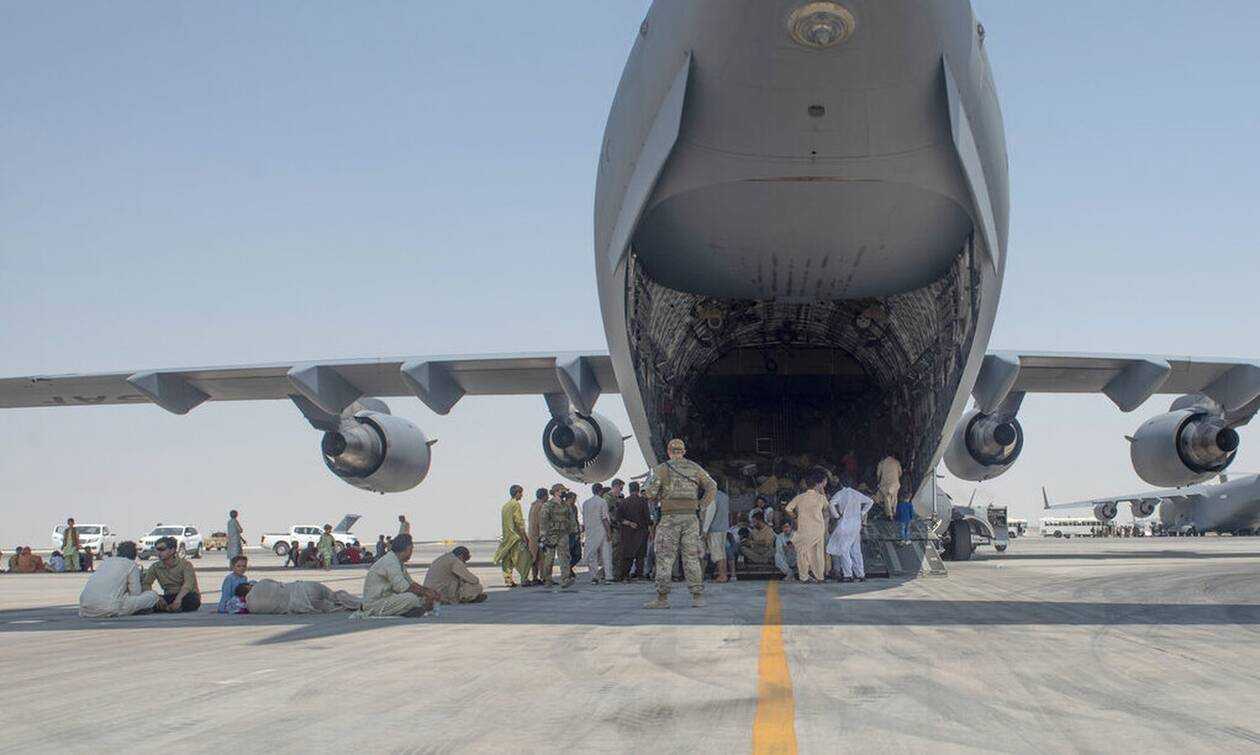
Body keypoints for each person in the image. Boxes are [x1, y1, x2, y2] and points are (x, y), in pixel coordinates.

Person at [642, 438, 717, 609]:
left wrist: (648, 492)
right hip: (691, 518)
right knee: (691, 557)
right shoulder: (695, 468)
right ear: (683, 452)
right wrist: (701, 504)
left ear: (669, 452)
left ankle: (662, 599)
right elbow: (712, 486)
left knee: (665, 558)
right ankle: (697, 597)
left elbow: (650, 493)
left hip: (669, 519)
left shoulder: (662, 469)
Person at [352, 533, 437, 618]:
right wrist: (426, 593)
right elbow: (403, 588)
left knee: (420, 597)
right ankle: (409, 610)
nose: (411, 553)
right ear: (405, 550)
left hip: (387, 599)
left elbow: (411, 583)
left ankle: (410, 610)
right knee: (412, 598)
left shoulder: (398, 562)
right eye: (410, 550)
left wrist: (429, 591)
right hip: (375, 604)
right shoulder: (391, 562)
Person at [78, 541, 160, 617]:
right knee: (153, 595)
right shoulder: (131, 564)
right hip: (109, 608)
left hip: (85, 609)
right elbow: (135, 593)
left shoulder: (106, 562)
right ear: (135, 555)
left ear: (118, 552)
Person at [785, 469, 830, 583]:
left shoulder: (800, 497)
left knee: (802, 552)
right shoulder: (821, 498)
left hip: (804, 529)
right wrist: (822, 491)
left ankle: (804, 576)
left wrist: (796, 517)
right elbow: (827, 507)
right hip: (818, 529)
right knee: (818, 553)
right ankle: (820, 577)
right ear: (819, 483)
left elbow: (788, 509)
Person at [827, 478, 874, 582]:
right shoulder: (857, 493)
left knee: (844, 549)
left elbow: (831, 503)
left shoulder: (840, 493)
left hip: (844, 524)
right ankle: (860, 574)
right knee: (856, 550)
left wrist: (836, 515)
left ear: (841, 484)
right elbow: (870, 501)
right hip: (856, 524)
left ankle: (848, 574)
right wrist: (862, 513)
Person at [142, 536, 202, 612]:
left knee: (192, 600)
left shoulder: (185, 564)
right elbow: (146, 584)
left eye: (162, 549)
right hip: (169, 596)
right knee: (148, 601)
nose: (159, 552)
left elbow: (188, 585)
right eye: (157, 549)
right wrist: (156, 597)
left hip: (185, 595)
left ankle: (170, 608)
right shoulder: (155, 567)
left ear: (172, 550)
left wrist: (178, 600)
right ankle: (169, 608)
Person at [248, 579, 362, 614]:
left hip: (302, 603)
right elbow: (280, 584)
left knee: (335, 608)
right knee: (335, 596)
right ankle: (360, 602)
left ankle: (359, 607)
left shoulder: (253, 608)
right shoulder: (261, 584)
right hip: (306, 587)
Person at [493, 485, 531, 587]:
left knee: (507, 560)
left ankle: (508, 580)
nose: (522, 495)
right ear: (517, 493)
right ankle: (524, 579)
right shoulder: (516, 504)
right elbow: (518, 522)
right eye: (521, 493)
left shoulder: (505, 506)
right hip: (516, 537)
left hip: (507, 537)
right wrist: (525, 537)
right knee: (525, 558)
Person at [539, 484, 577, 588]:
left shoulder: (566, 505)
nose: (564, 493)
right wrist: (543, 535)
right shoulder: (548, 505)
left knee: (564, 557)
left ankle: (565, 579)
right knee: (549, 558)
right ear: (556, 492)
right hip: (550, 535)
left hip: (563, 534)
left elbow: (571, 518)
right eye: (562, 491)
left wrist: (574, 530)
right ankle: (547, 579)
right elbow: (543, 521)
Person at [618, 481, 652, 580]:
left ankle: (625, 575)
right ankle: (639, 574)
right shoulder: (643, 501)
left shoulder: (624, 502)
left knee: (627, 554)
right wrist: (651, 524)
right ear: (638, 490)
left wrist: (629, 523)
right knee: (640, 555)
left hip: (627, 533)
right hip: (641, 531)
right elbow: (647, 518)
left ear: (629, 490)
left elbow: (618, 518)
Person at [581, 483, 614, 584]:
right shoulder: (602, 502)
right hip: (602, 531)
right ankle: (608, 577)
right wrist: (609, 532)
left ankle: (594, 577)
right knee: (606, 554)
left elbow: (584, 519)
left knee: (592, 555)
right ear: (601, 491)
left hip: (590, 531)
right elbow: (604, 518)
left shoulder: (586, 503)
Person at [706, 487, 732, 582]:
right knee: (722, 553)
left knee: (717, 553)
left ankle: (722, 576)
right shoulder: (724, 496)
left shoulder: (711, 496)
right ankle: (724, 575)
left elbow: (709, 514)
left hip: (714, 529)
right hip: (723, 528)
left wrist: (705, 530)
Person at [603, 479, 625, 579]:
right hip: (612, 528)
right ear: (615, 486)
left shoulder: (616, 498)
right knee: (613, 552)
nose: (621, 490)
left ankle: (614, 573)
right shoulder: (608, 498)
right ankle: (610, 574)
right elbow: (606, 515)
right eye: (621, 488)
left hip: (617, 527)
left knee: (617, 552)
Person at [526, 487, 547, 586]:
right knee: (542, 558)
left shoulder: (533, 505)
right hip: (539, 536)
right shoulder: (541, 506)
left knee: (534, 558)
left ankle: (535, 577)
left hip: (532, 536)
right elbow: (541, 523)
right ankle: (544, 577)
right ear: (544, 496)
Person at [876, 455, 902, 519]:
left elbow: (878, 474)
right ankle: (894, 511)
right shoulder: (896, 462)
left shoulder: (882, 463)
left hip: (885, 484)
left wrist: (878, 481)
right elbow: (900, 473)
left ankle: (889, 515)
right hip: (895, 483)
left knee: (887, 498)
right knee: (895, 497)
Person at [565, 491, 581, 580]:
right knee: (569, 553)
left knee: (578, 554)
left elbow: (576, 519)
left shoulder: (574, 507)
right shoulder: (563, 507)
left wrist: (578, 530)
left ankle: (568, 568)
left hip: (575, 533)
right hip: (568, 534)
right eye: (573, 499)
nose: (574, 500)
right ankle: (567, 571)